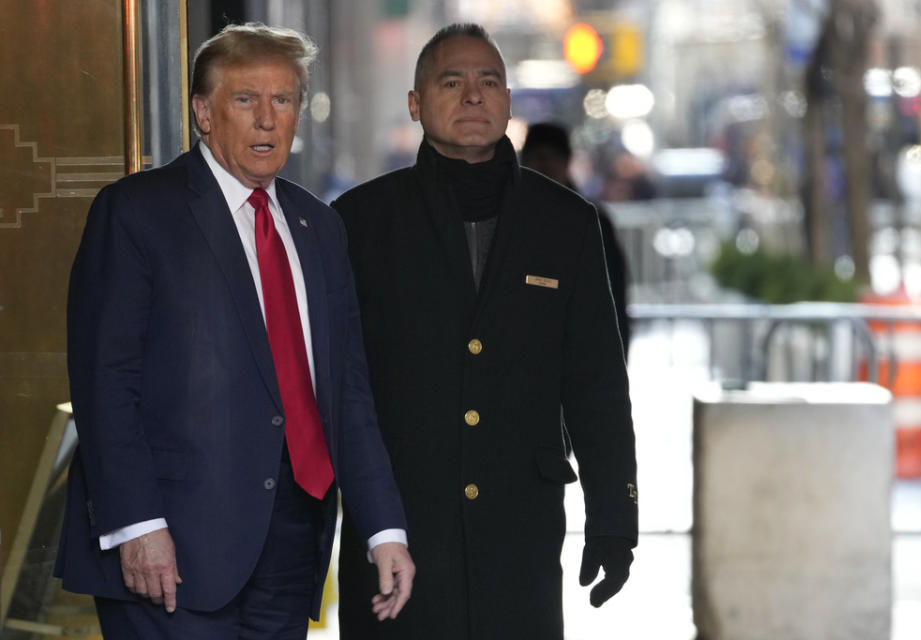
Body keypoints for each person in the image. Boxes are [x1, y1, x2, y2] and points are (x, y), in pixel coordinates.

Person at [55, 23, 414, 638]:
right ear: (203, 112)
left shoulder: (318, 227)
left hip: (291, 544)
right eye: (246, 100)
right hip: (170, 548)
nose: (268, 120)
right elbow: (104, 380)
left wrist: (385, 529)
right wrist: (137, 525)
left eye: (284, 100)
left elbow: (347, 392)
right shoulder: (138, 211)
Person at [332, 23, 638, 639]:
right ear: (416, 105)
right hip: (398, 533)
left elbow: (597, 384)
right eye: (452, 81)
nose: (473, 96)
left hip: (519, 534)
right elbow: (337, 390)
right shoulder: (359, 223)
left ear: (507, 101)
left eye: (489, 81)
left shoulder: (567, 224)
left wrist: (613, 519)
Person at [521, 122, 632, 351]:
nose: (545, 165)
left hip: (580, 352)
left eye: (553, 157)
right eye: (539, 157)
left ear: (567, 161)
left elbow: (614, 301)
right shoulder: (508, 217)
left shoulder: (591, 221)